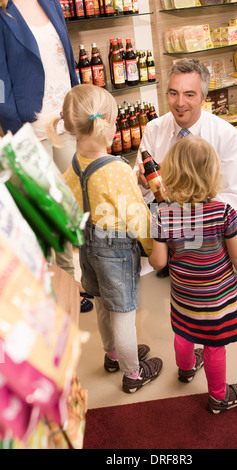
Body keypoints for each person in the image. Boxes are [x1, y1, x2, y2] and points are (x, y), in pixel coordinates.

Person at [45, 83, 163, 393]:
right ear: (106, 124)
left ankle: (112, 354)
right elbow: (136, 215)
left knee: (101, 306)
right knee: (123, 312)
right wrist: (154, 249)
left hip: (87, 249)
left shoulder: (73, 164)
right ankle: (133, 373)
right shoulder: (117, 169)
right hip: (116, 253)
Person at [136, 58, 237, 288]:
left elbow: (235, 195)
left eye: (189, 95)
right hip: (167, 218)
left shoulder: (226, 134)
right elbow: (141, 192)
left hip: (210, 222)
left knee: (226, 274)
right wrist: (144, 184)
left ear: (204, 98)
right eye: (173, 93)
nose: (179, 102)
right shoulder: (154, 129)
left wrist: (196, 216)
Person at [148, 135, 237, 414]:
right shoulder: (223, 212)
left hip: (183, 295)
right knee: (214, 345)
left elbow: (158, 262)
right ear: (212, 175)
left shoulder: (162, 214)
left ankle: (185, 369)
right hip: (216, 298)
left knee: (183, 332)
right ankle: (219, 397)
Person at [0, 0, 92, 312]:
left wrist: (77, 103)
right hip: (29, 127)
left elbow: (66, 59)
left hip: (65, 120)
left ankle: (69, 278)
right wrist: (15, 125)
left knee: (67, 205)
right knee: (43, 214)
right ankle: (51, 290)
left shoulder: (50, 1)